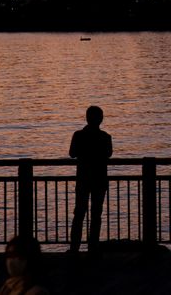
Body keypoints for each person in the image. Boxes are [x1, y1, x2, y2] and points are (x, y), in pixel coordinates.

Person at [68, 105, 113, 253]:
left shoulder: (78, 135)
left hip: (83, 180)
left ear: (87, 118)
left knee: (79, 214)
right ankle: (93, 247)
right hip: (100, 180)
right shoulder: (105, 137)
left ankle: (74, 248)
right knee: (96, 215)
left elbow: (72, 153)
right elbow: (108, 154)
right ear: (101, 119)